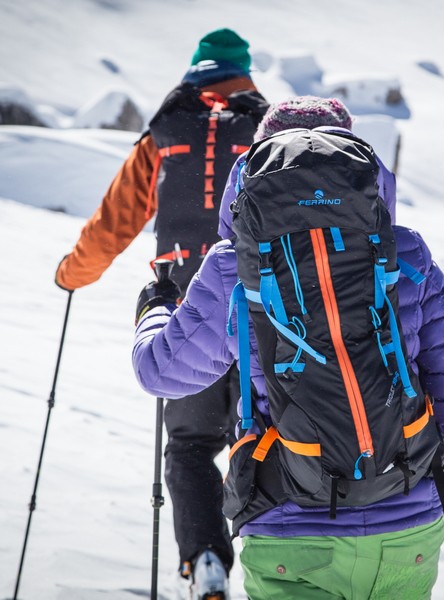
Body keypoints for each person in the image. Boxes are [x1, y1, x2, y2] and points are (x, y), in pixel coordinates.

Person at [132, 96, 444, 599]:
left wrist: (155, 309)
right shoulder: (406, 252)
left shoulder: (233, 264)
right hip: (405, 525)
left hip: (290, 529)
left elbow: (160, 372)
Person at [54, 28, 268, 599]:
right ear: (244, 73)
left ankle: (206, 563)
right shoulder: (269, 133)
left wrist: (71, 274)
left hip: (188, 315)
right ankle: (281, 565)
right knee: (270, 438)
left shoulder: (165, 133)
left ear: (195, 71)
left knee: (192, 445)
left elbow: (112, 225)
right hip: (266, 316)